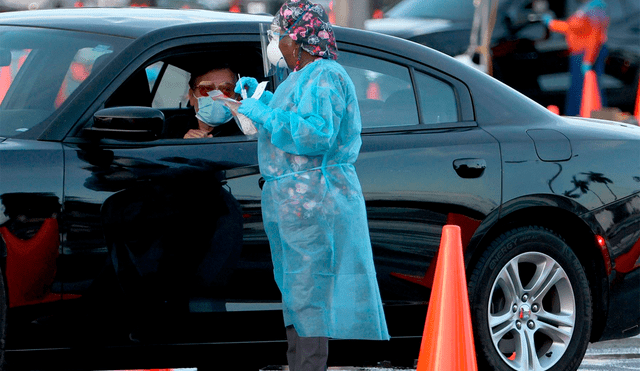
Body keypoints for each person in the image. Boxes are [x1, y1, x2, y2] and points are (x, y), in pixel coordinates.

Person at [236, 1, 389, 369]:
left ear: (299, 38)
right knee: (297, 297)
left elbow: (315, 133)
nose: (276, 44)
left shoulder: (325, 75)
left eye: (280, 35)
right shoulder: (300, 77)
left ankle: (309, 367)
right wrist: (263, 99)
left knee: (310, 298)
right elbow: (294, 117)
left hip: (317, 203)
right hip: (296, 206)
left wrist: (262, 113)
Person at [542, 0, 609, 116]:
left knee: (584, 88)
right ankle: (578, 114)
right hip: (580, 53)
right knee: (578, 88)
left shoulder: (595, 10)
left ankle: (586, 115)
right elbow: (571, 27)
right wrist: (552, 24)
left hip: (585, 54)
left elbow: (593, 37)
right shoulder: (587, 9)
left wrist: (588, 60)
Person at [164, 65, 243, 139]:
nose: (216, 97)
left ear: (238, 98)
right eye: (206, 89)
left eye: (226, 90)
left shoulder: (247, 135)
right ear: (191, 96)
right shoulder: (173, 126)